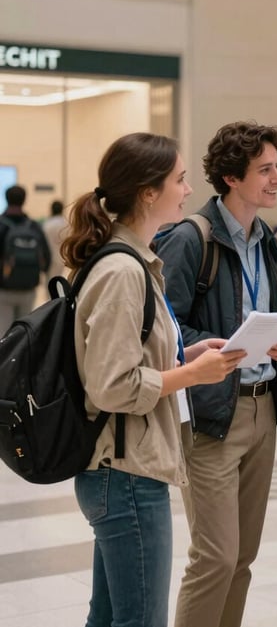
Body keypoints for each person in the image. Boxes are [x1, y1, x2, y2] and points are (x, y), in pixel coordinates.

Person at [61, 132, 245, 627]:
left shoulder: (132, 261)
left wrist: (186, 351)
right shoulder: (123, 271)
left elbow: (128, 353)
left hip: (119, 468)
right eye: (179, 179)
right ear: (147, 191)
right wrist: (190, 374)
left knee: (109, 617)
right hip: (126, 473)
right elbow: (112, 385)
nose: (188, 190)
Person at [155, 120, 277, 627]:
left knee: (242, 558)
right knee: (214, 556)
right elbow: (163, 327)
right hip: (214, 413)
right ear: (232, 178)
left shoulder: (266, 241)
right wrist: (198, 346)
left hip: (262, 406)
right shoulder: (192, 238)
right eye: (265, 169)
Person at [0, 184, 50, 333]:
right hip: (29, 287)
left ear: (6, 199)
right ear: (24, 200)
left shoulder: (1, 225)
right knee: (23, 333)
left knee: (4, 334)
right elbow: (46, 257)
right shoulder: (33, 226)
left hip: (4, 288)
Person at [42, 199, 69, 278]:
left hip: (49, 259)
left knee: (49, 283)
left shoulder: (47, 224)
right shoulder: (66, 224)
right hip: (63, 258)